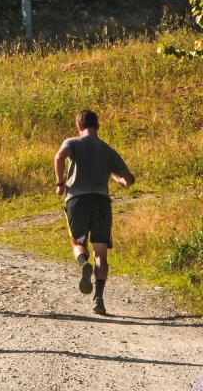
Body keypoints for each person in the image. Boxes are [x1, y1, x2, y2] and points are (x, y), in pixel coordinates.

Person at [54, 109, 135, 315]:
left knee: (78, 243)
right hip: (101, 202)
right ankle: (98, 298)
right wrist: (120, 179)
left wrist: (61, 182)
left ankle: (83, 264)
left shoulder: (72, 142)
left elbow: (59, 157)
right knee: (101, 253)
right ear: (98, 126)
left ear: (78, 126)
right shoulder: (107, 150)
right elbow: (129, 178)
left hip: (77, 200)